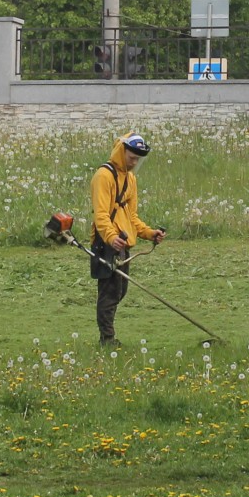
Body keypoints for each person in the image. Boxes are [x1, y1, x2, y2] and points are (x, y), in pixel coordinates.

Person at [89, 133, 165, 344]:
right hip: (106, 243)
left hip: (122, 244)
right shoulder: (103, 176)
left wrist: (150, 233)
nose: (134, 163)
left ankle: (108, 336)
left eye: (138, 160)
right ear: (122, 152)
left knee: (120, 291)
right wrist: (111, 238)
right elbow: (101, 215)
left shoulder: (130, 179)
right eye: (132, 158)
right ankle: (107, 339)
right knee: (110, 294)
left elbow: (131, 217)